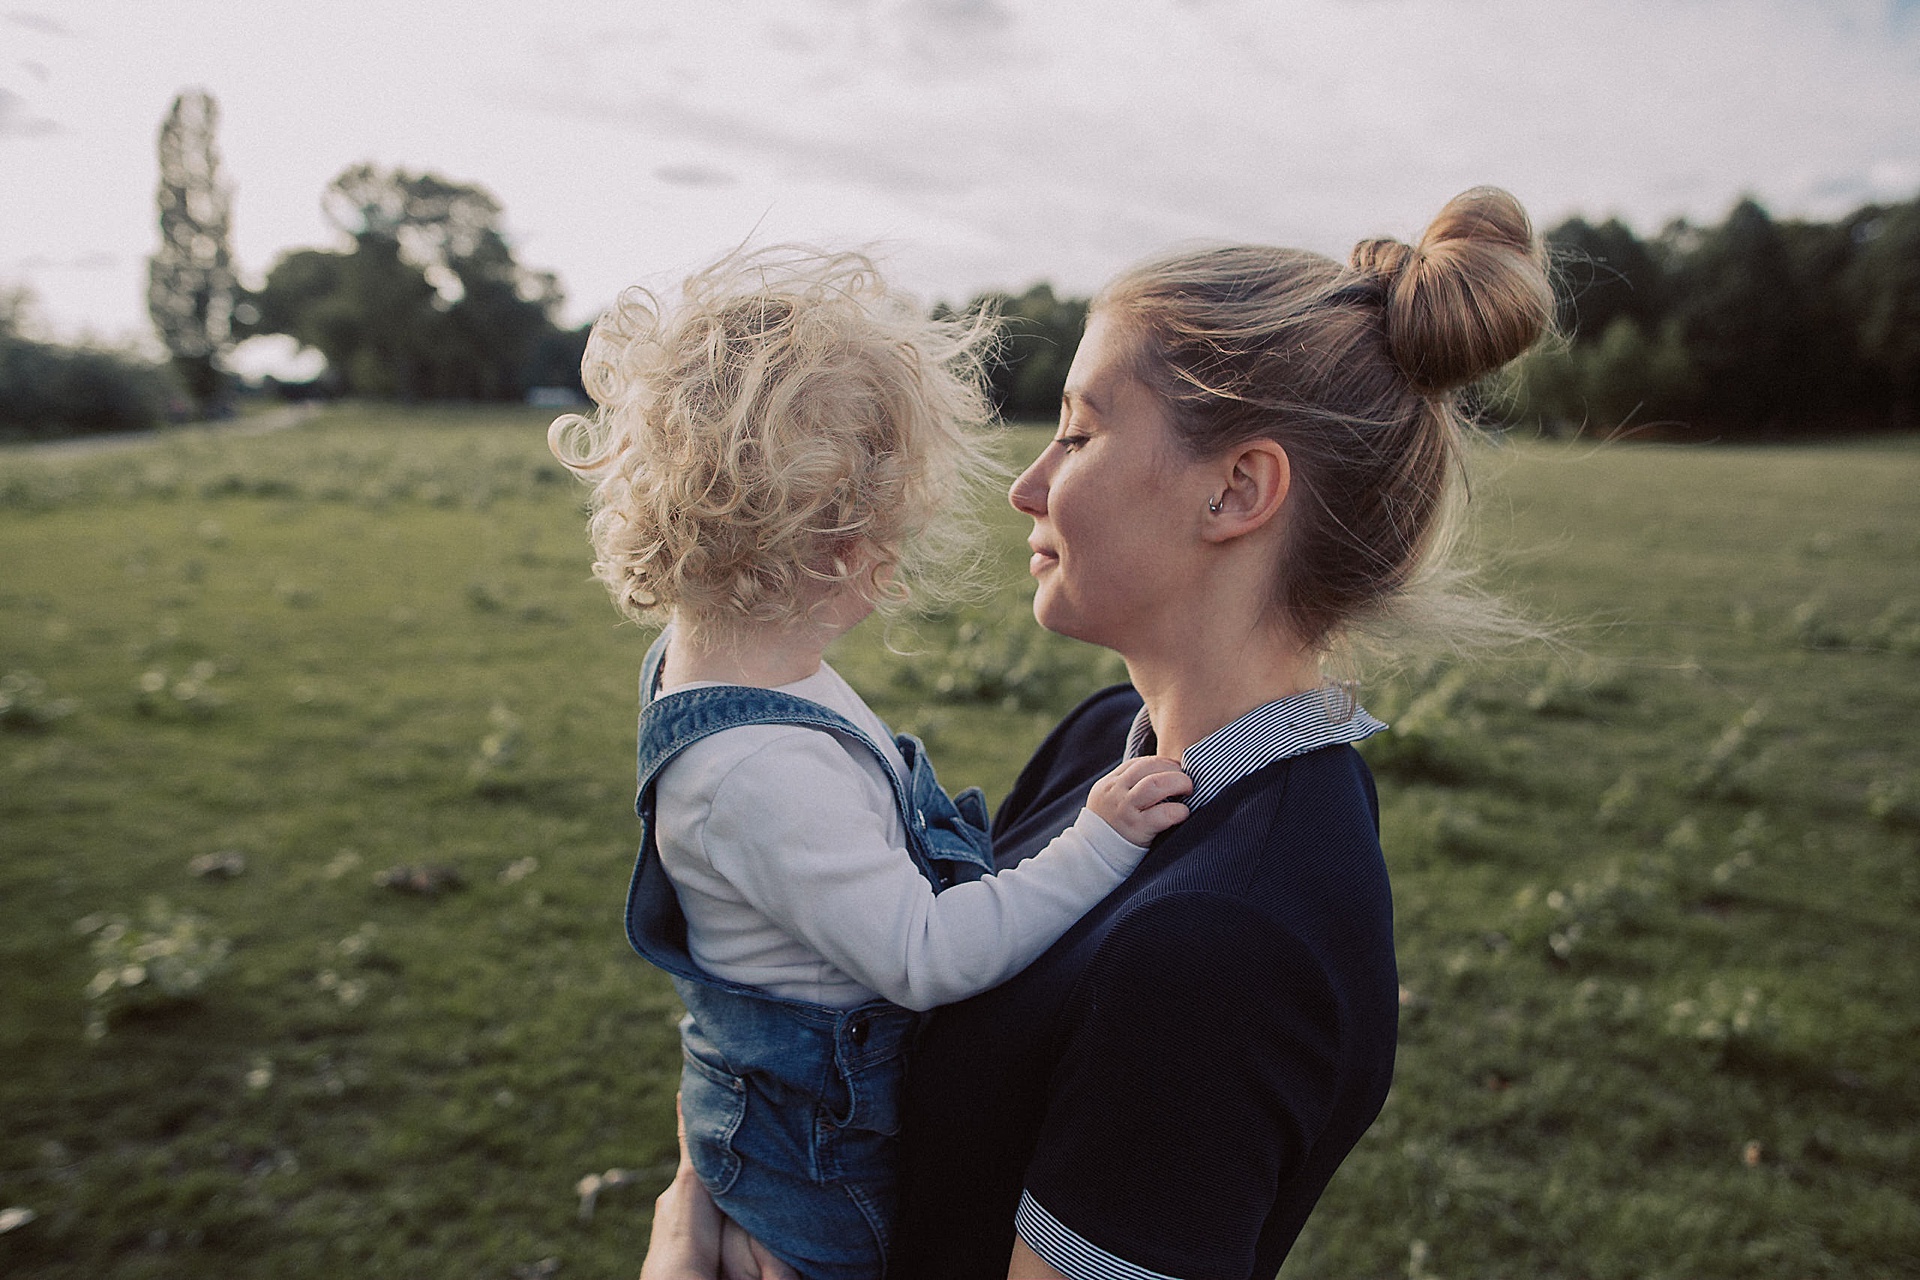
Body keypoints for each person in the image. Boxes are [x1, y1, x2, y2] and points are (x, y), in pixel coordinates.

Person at [637, 185, 1553, 1280]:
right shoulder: (1109, 741)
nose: (1028, 486)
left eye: (1077, 431)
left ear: (1236, 490)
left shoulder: (1228, 946)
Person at [549, 248, 1193, 1280]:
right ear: (842, 551)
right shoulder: (756, 771)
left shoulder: (722, 661)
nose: (892, 565)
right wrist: (1099, 841)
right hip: (818, 1161)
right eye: (888, 535)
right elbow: (929, 954)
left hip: (787, 1117)